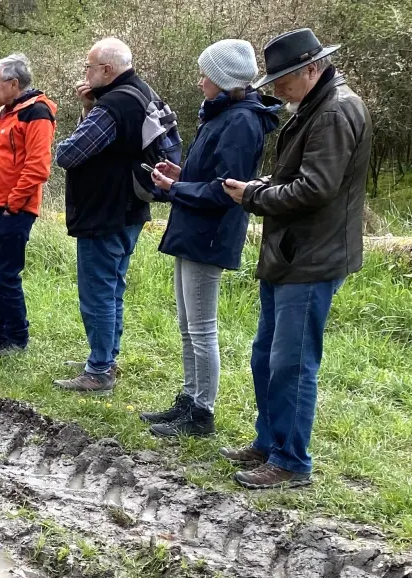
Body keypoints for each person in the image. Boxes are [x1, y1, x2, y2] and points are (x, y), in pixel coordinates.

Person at [221, 29, 370, 489]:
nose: (277, 87)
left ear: (311, 68)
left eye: (283, 78)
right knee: (266, 354)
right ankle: (268, 441)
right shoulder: (314, 105)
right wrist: (265, 185)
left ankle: (291, 462)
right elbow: (300, 174)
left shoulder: (334, 111)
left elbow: (315, 188)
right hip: (290, 253)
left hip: (312, 257)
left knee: (293, 362)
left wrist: (254, 196)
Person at [139, 40, 280, 437]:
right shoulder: (222, 114)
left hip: (210, 233)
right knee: (187, 324)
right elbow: (210, 175)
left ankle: (202, 413)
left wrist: (175, 189)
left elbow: (226, 189)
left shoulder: (240, 121)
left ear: (222, 79)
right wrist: (181, 175)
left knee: (202, 327)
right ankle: (188, 399)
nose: (200, 81)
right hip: (192, 228)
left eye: (206, 74)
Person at [53, 37, 178, 392]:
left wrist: (88, 112)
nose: (85, 72)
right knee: (113, 288)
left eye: (89, 67)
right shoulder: (143, 92)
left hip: (104, 212)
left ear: (107, 70)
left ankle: (99, 370)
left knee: (98, 292)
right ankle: (105, 356)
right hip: (131, 208)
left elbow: (69, 153)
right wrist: (88, 106)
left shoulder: (113, 106)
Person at [0, 52, 54, 358]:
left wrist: (12, 205)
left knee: (6, 274)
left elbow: (38, 167)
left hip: (15, 210)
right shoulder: (5, 111)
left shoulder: (36, 112)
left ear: (13, 83)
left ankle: (17, 339)